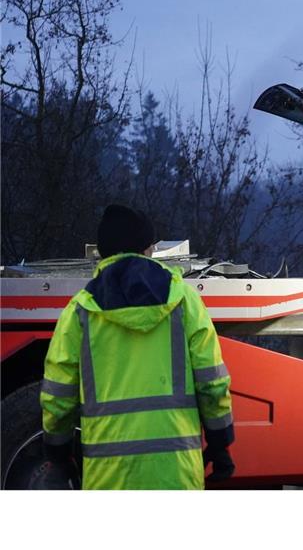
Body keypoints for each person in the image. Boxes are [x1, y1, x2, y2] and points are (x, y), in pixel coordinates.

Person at [38, 204, 235, 489]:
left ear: (103, 252)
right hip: (177, 476)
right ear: (147, 249)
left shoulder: (80, 311)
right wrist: (220, 443)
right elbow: (212, 384)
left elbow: (58, 397)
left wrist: (58, 455)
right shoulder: (184, 301)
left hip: (107, 479)